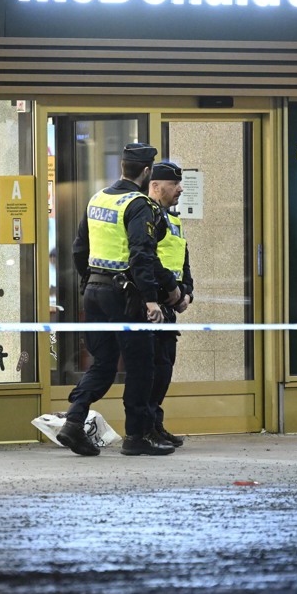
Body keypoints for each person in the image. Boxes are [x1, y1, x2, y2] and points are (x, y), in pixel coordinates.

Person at [59, 143, 178, 457]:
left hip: (95, 291)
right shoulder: (138, 204)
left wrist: (89, 281)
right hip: (125, 295)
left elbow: (77, 249)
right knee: (140, 366)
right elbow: (142, 254)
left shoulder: (98, 198)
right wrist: (152, 300)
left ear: (122, 167)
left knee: (103, 364)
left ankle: (73, 421)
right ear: (147, 171)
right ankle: (136, 436)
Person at [147, 160, 193, 448]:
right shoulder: (144, 216)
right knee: (151, 370)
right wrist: (169, 292)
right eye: (174, 184)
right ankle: (145, 428)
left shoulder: (173, 220)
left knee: (164, 368)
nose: (180, 189)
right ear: (155, 186)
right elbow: (145, 260)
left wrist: (187, 292)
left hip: (170, 305)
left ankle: (155, 424)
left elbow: (183, 262)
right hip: (151, 305)